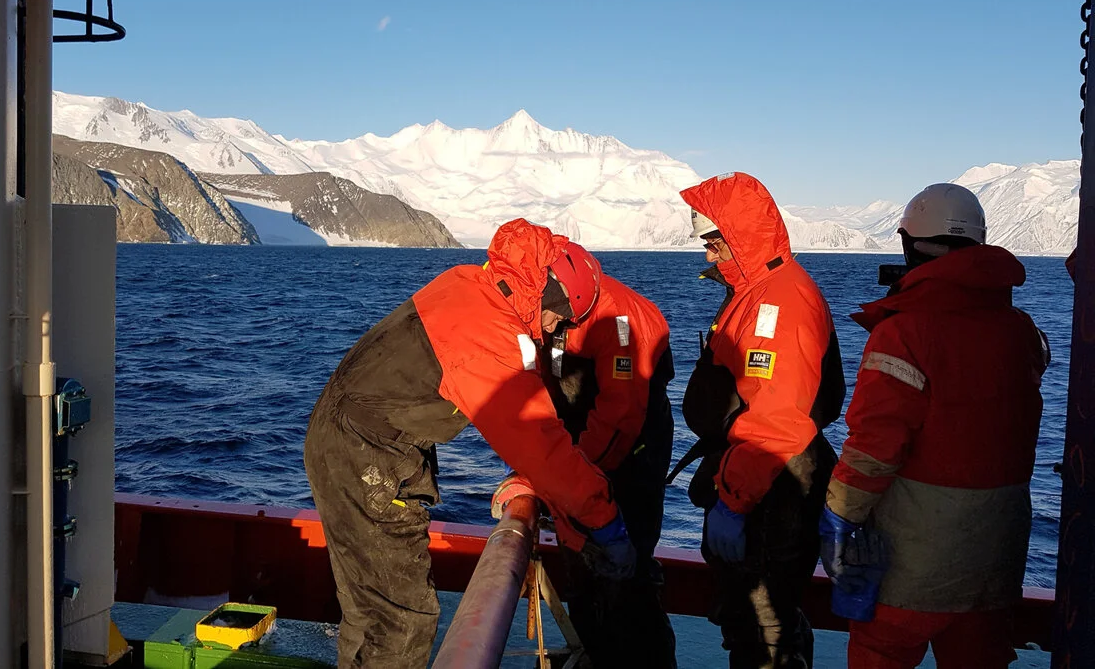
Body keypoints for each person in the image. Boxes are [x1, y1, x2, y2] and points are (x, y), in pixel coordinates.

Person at [303, 218, 638, 669]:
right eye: (559, 315)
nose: (557, 327)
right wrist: (604, 518)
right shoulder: (487, 335)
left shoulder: (469, 283)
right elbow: (536, 440)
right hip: (365, 457)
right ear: (550, 293)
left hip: (360, 443)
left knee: (372, 611)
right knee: (398, 621)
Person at [819, 183, 1050, 669]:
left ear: (910, 245)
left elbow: (874, 448)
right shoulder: (1021, 329)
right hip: (998, 550)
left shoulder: (904, 331)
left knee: (881, 652)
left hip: (917, 555)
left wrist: (840, 515)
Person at [674, 171, 845, 668]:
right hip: (762, 477)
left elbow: (777, 419)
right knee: (759, 625)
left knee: (762, 631)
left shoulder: (778, 301)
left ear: (741, 236)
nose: (708, 255)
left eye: (714, 243)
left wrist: (734, 500)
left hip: (773, 484)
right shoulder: (758, 293)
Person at [526, 271, 678, 668]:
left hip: (629, 461)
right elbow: (543, 385)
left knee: (628, 579)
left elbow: (620, 415)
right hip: (579, 454)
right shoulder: (553, 310)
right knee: (584, 576)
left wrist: (572, 477)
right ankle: (594, 652)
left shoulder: (619, 321)